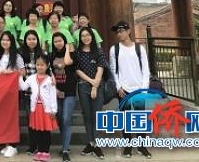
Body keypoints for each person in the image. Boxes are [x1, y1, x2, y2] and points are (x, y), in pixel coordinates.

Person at [109, 21, 151, 159]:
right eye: (117, 32)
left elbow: (146, 70)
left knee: (139, 118)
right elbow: (113, 70)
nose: (119, 34)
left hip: (139, 89)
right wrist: (118, 87)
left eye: (121, 31)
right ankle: (128, 146)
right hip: (123, 89)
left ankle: (142, 146)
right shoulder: (114, 49)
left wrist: (144, 89)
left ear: (128, 31)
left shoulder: (139, 48)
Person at [19, 53, 58, 162]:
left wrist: (54, 110)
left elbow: (53, 95)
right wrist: (19, 76)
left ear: (47, 66)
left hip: (46, 110)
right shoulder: (31, 78)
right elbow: (23, 87)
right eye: (38, 64)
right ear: (35, 65)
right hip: (35, 109)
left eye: (42, 65)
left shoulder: (50, 79)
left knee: (45, 131)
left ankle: (46, 152)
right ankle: (40, 151)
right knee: (37, 131)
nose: (40, 67)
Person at [74, 27, 105, 159]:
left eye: (88, 35)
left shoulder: (98, 51)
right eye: (83, 36)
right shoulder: (78, 53)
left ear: (92, 36)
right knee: (87, 116)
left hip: (97, 86)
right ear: (80, 38)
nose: (85, 38)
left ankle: (96, 144)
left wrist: (94, 86)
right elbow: (77, 70)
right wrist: (91, 82)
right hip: (83, 86)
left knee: (96, 115)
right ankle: (90, 143)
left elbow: (100, 68)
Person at [0, 31, 25, 158]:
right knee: (4, 118)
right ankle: (7, 143)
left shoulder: (16, 56)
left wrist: (10, 72)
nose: (5, 42)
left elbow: (23, 72)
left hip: (14, 91)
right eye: (3, 40)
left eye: (7, 40)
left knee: (12, 117)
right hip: (1, 91)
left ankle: (13, 146)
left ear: (12, 42)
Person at [51, 32, 77, 162]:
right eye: (55, 41)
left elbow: (67, 62)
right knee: (61, 120)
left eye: (60, 41)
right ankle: (65, 145)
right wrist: (55, 89)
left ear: (65, 42)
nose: (58, 43)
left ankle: (66, 151)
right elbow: (50, 73)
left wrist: (67, 48)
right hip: (56, 92)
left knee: (66, 119)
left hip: (69, 92)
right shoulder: (51, 56)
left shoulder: (72, 54)